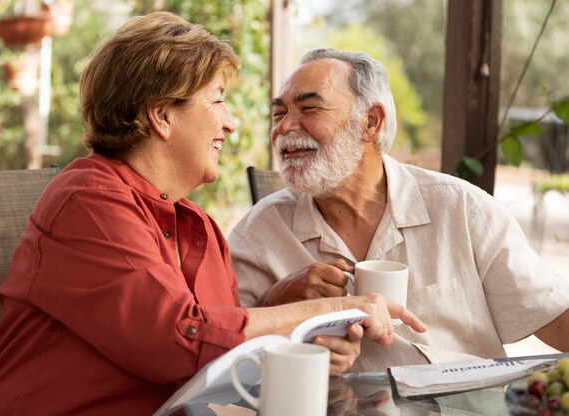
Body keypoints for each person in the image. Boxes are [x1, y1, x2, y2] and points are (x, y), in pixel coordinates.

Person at [0, 16, 425, 416]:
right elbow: (177, 340)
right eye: (217, 99)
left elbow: (215, 350)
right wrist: (337, 307)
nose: (231, 122)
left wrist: (297, 324)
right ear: (163, 116)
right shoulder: (86, 201)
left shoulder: (195, 224)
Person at [228, 48, 569, 372]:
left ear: (370, 123)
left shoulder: (462, 209)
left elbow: (554, 319)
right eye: (278, 113)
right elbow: (219, 348)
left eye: (309, 109)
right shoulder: (259, 232)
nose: (284, 127)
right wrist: (276, 305)